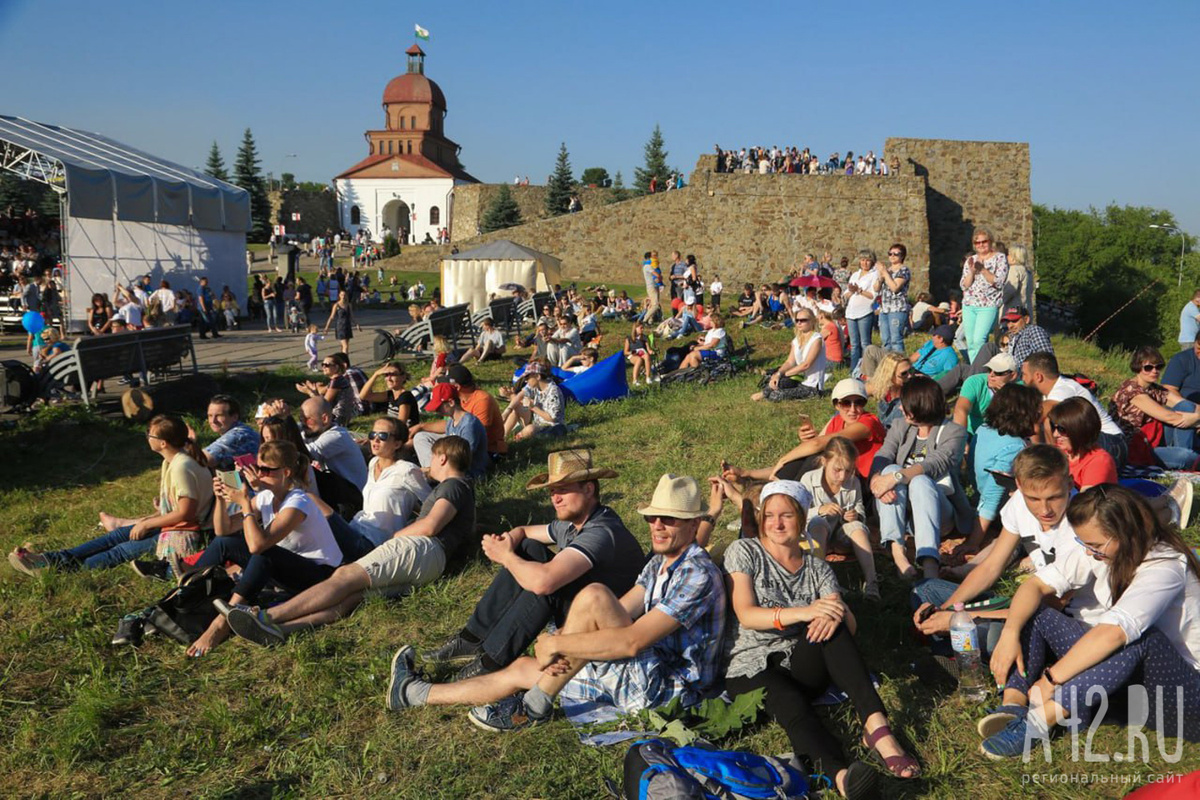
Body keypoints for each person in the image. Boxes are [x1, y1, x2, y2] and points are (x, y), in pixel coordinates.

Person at [386, 473, 726, 733]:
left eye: (669, 519)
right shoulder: (658, 564)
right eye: (653, 518)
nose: (657, 525)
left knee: (593, 594)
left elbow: (632, 642)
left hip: (670, 689)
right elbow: (622, 612)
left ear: (693, 524)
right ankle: (415, 693)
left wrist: (558, 642)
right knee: (522, 667)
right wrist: (568, 643)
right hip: (642, 668)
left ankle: (535, 706)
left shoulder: (697, 574)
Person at [724, 481, 917, 799]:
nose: (777, 523)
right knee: (791, 704)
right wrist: (806, 612)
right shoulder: (746, 551)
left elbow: (848, 627)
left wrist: (834, 612)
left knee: (834, 622)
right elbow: (746, 613)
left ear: (801, 519)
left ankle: (879, 732)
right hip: (751, 665)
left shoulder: (816, 568)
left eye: (786, 515)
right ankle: (840, 777)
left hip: (800, 661)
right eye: (770, 515)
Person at [981, 485, 1200, 758]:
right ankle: (1014, 703)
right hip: (1130, 678)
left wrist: (1051, 679)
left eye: (1094, 545)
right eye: (1084, 543)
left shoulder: (1165, 565)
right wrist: (1010, 634)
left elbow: (1115, 634)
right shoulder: (1103, 550)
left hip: (1185, 691)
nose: (1087, 552)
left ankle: (1039, 721)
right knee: (1036, 612)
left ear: (1125, 534)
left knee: (1139, 638)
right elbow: (1034, 586)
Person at [416, 450, 645, 681]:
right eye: (552, 491)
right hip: (582, 610)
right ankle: (471, 640)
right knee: (529, 549)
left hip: (608, 628)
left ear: (588, 489)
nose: (555, 498)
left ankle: (490, 663)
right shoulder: (573, 522)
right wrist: (509, 542)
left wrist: (506, 557)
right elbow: (525, 531)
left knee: (547, 585)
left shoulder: (601, 531)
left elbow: (545, 582)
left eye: (563, 490)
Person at [226, 436, 472, 646]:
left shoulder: (453, 486)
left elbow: (430, 526)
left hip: (419, 549)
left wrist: (397, 536)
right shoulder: (462, 490)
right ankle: (282, 630)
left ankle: (266, 617)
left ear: (442, 458)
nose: (427, 464)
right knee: (355, 595)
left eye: (431, 457)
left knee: (344, 578)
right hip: (432, 564)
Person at [912, 445, 1075, 657]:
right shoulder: (1018, 503)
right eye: (1033, 499)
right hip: (1024, 604)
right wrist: (946, 610)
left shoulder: (1080, 523)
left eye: (1054, 498)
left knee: (994, 636)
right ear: (1018, 485)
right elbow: (991, 567)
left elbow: (1052, 606)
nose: (1044, 510)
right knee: (926, 590)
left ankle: (959, 655)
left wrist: (961, 618)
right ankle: (954, 653)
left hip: (1059, 619)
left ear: (1069, 484)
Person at [186, 440, 343, 656]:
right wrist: (221, 500)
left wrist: (244, 505)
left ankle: (220, 624)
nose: (258, 474)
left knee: (263, 552)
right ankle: (186, 592)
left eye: (265, 469)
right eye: (257, 467)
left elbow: (257, 545)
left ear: (285, 472)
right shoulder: (267, 496)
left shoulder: (299, 502)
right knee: (225, 544)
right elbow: (223, 530)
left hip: (318, 576)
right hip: (286, 568)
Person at [9, 414, 213, 575]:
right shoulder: (173, 460)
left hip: (187, 530)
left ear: (163, 443)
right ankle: (50, 559)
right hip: (172, 523)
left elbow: (186, 513)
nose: (147, 437)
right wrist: (158, 511)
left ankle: (60, 569)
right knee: (114, 537)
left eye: (150, 435)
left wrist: (147, 523)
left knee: (121, 550)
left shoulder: (181, 466)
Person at [869, 375, 969, 581]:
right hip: (901, 512)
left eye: (905, 405)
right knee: (890, 467)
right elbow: (884, 454)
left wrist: (895, 478)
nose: (899, 409)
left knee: (921, 480)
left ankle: (929, 561)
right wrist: (877, 479)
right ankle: (898, 553)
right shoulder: (900, 426)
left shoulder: (954, 432)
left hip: (937, 511)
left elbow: (934, 464)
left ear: (919, 407)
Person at [321, 416, 432, 561]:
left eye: (383, 436)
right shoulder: (373, 463)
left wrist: (413, 526)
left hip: (374, 543)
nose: (375, 440)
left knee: (316, 504)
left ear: (397, 443)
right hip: (356, 527)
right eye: (373, 435)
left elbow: (431, 503)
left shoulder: (406, 470)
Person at [963, 382, 1044, 554]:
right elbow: (993, 496)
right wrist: (973, 542)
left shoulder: (983, 429)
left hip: (977, 496)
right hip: (1000, 513)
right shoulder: (1013, 447)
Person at [799, 438, 879, 601]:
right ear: (824, 462)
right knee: (818, 523)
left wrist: (856, 514)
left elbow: (858, 505)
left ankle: (872, 582)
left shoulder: (853, 482)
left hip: (841, 536)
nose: (843, 476)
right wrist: (820, 510)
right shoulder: (808, 480)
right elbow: (798, 514)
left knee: (857, 527)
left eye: (848, 471)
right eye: (837, 470)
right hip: (814, 538)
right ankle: (819, 582)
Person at [1022, 351, 1126, 468]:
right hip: (1096, 441)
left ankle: (1054, 465)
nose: (1022, 379)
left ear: (1038, 376)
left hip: (1112, 442)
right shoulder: (1047, 392)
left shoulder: (1065, 388)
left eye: (1024, 374)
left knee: (1049, 420)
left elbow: (1035, 415)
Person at [1111, 345, 1200, 469]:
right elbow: (1169, 417)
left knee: (1186, 406)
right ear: (1137, 368)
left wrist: (1196, 417)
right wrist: (1195, 420)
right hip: (1135, 449)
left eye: (1158, 367)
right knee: (1187, 456)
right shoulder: (1132, 391)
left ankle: (1185, 456)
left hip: (1153, 439)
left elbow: (1184, 404)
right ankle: (1187, 458)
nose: (1154, 371)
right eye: (1148, 368)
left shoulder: (1154, 389)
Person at [409, 382, 488, 479]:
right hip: (449, 465)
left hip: (466, 474)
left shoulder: (469, 425)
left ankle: (433, 474)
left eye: (439, 407)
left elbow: (462, 460)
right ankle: (432, 471)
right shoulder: (452, 420)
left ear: (451, 402)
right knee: (421, 437)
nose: (436, 410)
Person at [751, 309, 826, 401]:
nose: (799, 323)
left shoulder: (816, 339)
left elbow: (806, 364)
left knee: (775, 396)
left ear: (812, 321)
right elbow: (790, 362)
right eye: (797, 320)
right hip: (800, 380)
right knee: (777, 382)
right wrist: (778, 374)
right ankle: (765, 392)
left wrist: (786, 374)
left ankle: (763, 394)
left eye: (803, 320)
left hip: (813, 386)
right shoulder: (796, 340)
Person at [1047, 397, 1118, 490]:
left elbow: (1085, 502)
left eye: (1061, 429)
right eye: (1053, 427)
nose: (1055, 434)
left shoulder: (1099, 462)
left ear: (1079, 429)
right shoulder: (1057, 453)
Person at [959, 228, 1008, 362]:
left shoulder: (1000, 258)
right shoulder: (971, 259)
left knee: (979, 339)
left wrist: (983, 269)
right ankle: (976, 367)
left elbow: (998, 282)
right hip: (969, 304)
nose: (980, 245)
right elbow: (964, 285)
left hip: (988, 305)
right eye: (977, 243)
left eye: (983, 242)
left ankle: (979, 368)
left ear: (990, 241)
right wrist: (972, 272)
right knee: (970, 341)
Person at [300, 397, 368, 490]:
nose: (303, 424)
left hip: (351, 498)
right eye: (301, 419)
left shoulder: (337, 436)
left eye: (307, 419)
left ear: (324, 419)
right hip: (335, 490)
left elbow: (304, 453)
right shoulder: (311, 430)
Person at [952, 352, 1019, 438]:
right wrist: (961, 441)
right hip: (972, 435)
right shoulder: (974, 382)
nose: (991, 375)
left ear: (1013, 376)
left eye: (998, 372)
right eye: (989, 370)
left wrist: (1006, 393)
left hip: (1004, 436)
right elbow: (960, 410)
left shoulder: (1020, 391)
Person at [502, 360, 565, 441]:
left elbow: (552, 418)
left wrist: (533, 407)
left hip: (551, 426)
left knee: (530, 429)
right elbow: (520, 395)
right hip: (537, 421)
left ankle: (518, 437)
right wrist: (507, 411)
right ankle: (502, 436)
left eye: (528, 377)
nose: (526, 381)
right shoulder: (534, 386)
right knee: (516, 408)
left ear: (538, 377)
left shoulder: (553, 391)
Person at [201, 395, 261, 471]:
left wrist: (189, 442)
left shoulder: (238, 435)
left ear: (235, 417)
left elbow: (203, 460)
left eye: (219, 415)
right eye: (210, 415)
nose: (213, 421)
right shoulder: (240, 430)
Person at [844, 250, 881, 372]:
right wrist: (851, 290)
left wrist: (859, 290)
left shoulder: (874, 274)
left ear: (872, 262)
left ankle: (867, 370)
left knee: (865, 343)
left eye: (868, 260)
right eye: (863, 260)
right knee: (854, 345)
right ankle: (854, 370)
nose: (865, 263)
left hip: (865, 312)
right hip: (851, 312)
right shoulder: (855, 274)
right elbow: (847, 294)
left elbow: (873, 295)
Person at [877, 244, 911, 353]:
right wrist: (880, 277)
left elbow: (895, 288)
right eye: (890, 253)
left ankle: (900, 366)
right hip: (885, 309)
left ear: (902, 256)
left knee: (896, 340)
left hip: (897, 309)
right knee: (885, 341)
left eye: (896, 254)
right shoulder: (887, 271)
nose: (892, 256)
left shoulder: (904, 270)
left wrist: (886, 274)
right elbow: (876, 288)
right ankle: (887, 366)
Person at [866, 351, 913, 429]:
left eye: (911, 370)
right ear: (890, 375)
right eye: (904, 373)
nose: (910, 375)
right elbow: (857, 393)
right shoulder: (881, 386)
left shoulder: (914, 388)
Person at [999, 305, 1052, 373]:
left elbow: (1047, 359)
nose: (1010, 325)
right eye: (1008, 321)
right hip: (1011, 373)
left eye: (1014, 321)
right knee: (989, 348)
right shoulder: (1012, 336)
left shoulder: (1033, 331)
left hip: (1027, 375)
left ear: (1026, 320)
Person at [1162, 330, 1200, 405]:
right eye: (1198, 348)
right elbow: (1168, 389)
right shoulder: (1181, 359)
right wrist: (1189, 407)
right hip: (1188, 410)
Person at [1002, 244, 1035, 322]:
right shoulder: (1028, 272)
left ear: (1014, 257)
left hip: (1012, 312)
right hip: (1026, 311)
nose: (1007, 257)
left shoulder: (1014, 270)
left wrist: (1000, 302)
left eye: (1009, 255)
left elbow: (1010, 290)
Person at [624, 320, 655, 387]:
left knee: (646, 356)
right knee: (639, 359)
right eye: (641, 328)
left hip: (642, 353)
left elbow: (648, 349)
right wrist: (632, 352)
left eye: (643, 328)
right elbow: (625, 352)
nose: (642, 329)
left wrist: (650, 351)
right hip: (633, 355)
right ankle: (635, 380)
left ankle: (648, 377)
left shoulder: (644, 337)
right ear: (635, 328)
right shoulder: (629, 338)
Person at [324, 291, 353, 355]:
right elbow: (331, 317)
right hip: (340, 326)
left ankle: (342, 360)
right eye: (342, 295)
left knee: (345, 346)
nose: (343, 296)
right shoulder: (336, 305)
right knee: (345, 346)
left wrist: (357, 324)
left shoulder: (349, 305)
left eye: (345, 295)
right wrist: (327, 327)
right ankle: (346, 361)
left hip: (348, 326)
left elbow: (352, 316)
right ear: (339, 296)